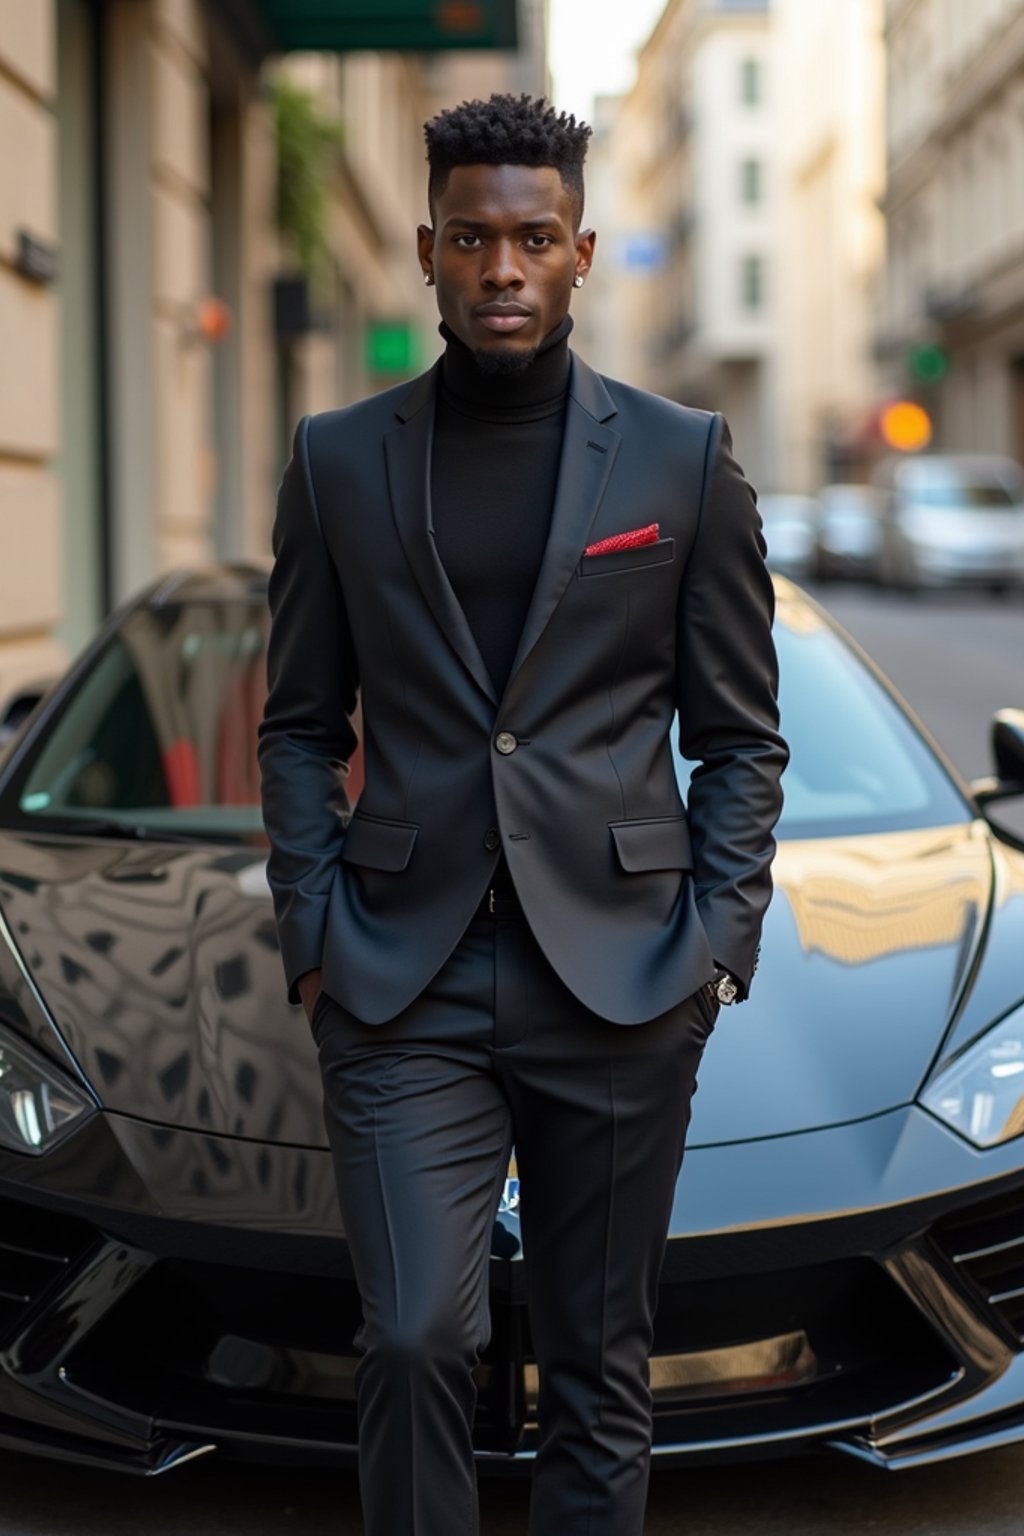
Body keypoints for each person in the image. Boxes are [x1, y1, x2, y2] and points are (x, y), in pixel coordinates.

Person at [258, 93, 788, 1536]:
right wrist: (312, 926)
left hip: (620, 978)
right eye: (476, 239)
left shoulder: (681, 460)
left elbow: (740, 733)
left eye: (534, 239)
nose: (504, 268)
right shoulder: (335, 458)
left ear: (582, 253)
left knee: (601, 1371)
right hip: (397, 975)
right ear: (428, 250)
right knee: (419, 1335)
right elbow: (300, 726)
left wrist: (714, 941)